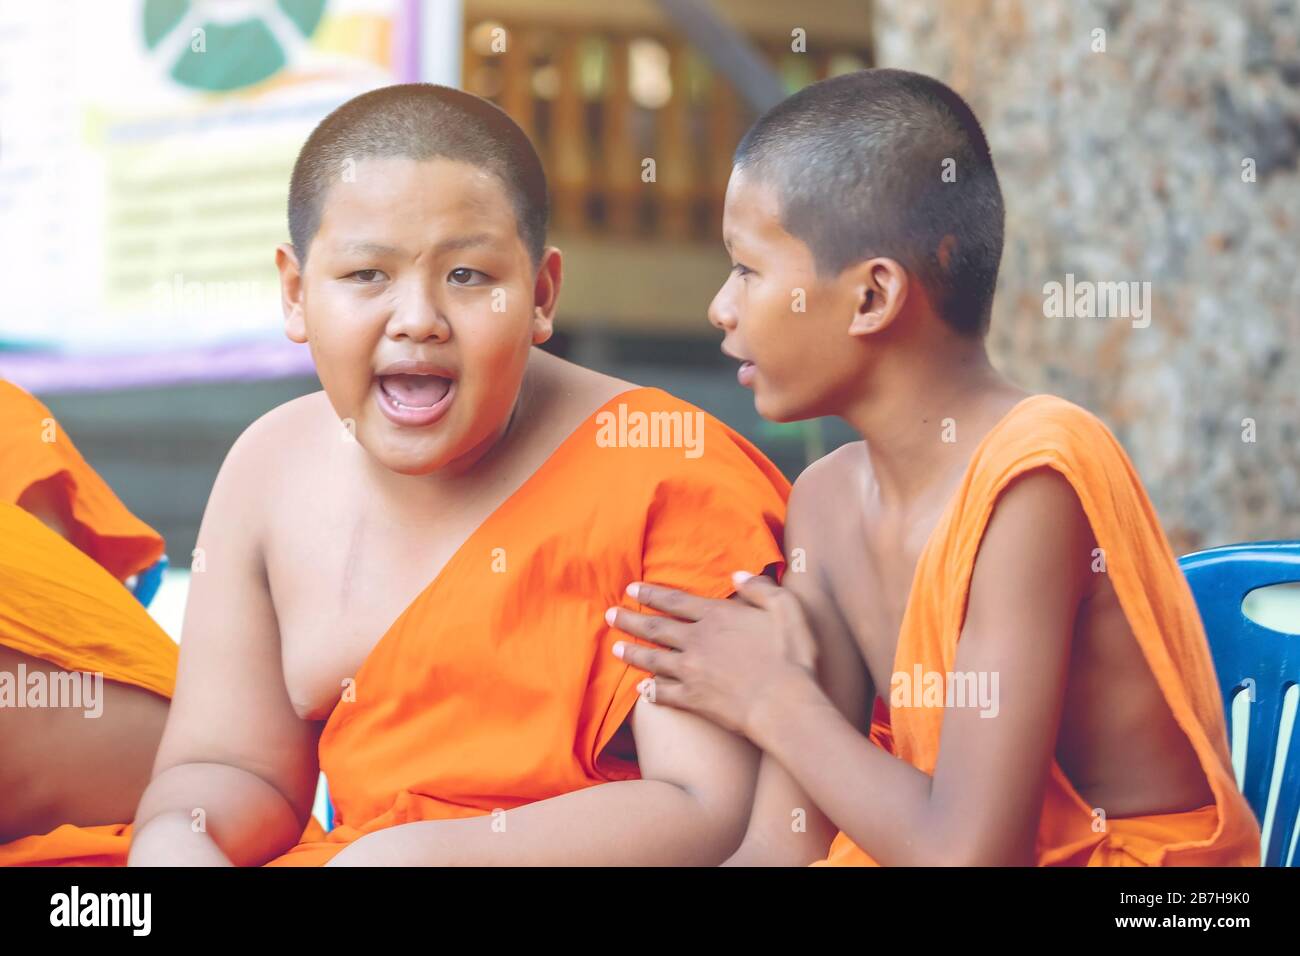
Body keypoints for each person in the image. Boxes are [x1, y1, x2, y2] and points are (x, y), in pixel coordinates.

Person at [606, 69, 1261, 866]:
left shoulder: (1036, 475)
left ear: (872, 296)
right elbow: (787, 844)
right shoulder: (828, 501)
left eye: (747, 270)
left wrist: (773, 698)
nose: (722, 306)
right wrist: (780, 700)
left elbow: (968, 858)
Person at [128, 84, 789, 867]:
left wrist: (419, 858)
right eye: (367, 275)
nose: (418, 318)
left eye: (469, 276)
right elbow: (232, 768)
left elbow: (706, 806)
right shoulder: (269, 471)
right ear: (296, 292)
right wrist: (179, 840)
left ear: (541, 295)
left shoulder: (665, 470)